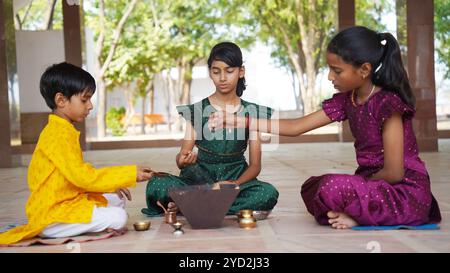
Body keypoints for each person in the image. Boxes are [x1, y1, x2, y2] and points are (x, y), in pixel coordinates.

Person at [209, 26, 441, 229]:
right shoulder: (347, 100)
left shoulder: (387, 104)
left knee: (332, 187)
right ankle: (358, 208)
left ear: (364, 70)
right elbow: (297, 126)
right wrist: (240, 120)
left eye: (337, 70)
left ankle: (358, 216)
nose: (330, 76)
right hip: (370, 185)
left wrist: (358, 188)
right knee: (312, 187)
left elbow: (394, 172)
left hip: (402, 191)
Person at [0, 62, 153, 245]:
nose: (90, 106)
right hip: (52, 212)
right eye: (84, 100)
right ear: (61, 100)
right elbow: (82, 177)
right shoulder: (57, 135)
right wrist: (129, 174)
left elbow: (76, 176)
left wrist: (110, 185)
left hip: (66, 199)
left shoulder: (63, 129)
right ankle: (51, 229)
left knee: (116, 198)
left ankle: (73, 223)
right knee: (118, 217)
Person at [142, 42, 279, 217]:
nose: (222, 78)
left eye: (229, 71)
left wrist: (233, 184)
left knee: (267, 193)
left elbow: (255, 166)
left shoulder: (250, 113)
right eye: (216, 71)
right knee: (157, 184)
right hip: (198, 180)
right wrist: (183, 161)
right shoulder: (197, 111)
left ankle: (191, 204)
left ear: (241, 71)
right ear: (210, 73)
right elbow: (182, 157)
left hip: (235, 178)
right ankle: (208, 203)